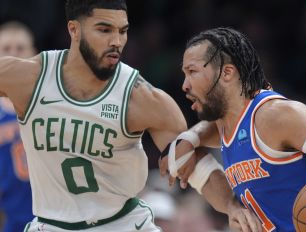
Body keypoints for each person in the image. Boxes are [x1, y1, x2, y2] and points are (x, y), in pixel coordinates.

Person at [0, 2, 261, 232]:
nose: (116, 41)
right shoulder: (28, 78)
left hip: (122, 224)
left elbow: (193, 164)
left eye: (122, 31)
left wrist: (230, 206)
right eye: (104, 30)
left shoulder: (142, 98)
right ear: (74, 30)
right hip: (51, 224)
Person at [161, 27, 306, 232]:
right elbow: (203, 145)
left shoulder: (276, 116)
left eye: (192, 72)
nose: (185, 85)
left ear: (227, 73)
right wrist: (191, 138)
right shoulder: (225, 125)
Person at [0, 21, 36, 232]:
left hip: (57, 219)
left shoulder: (54, 105)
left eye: (20, 48)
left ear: (34, 54)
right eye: (6, 49)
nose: (13, 54)